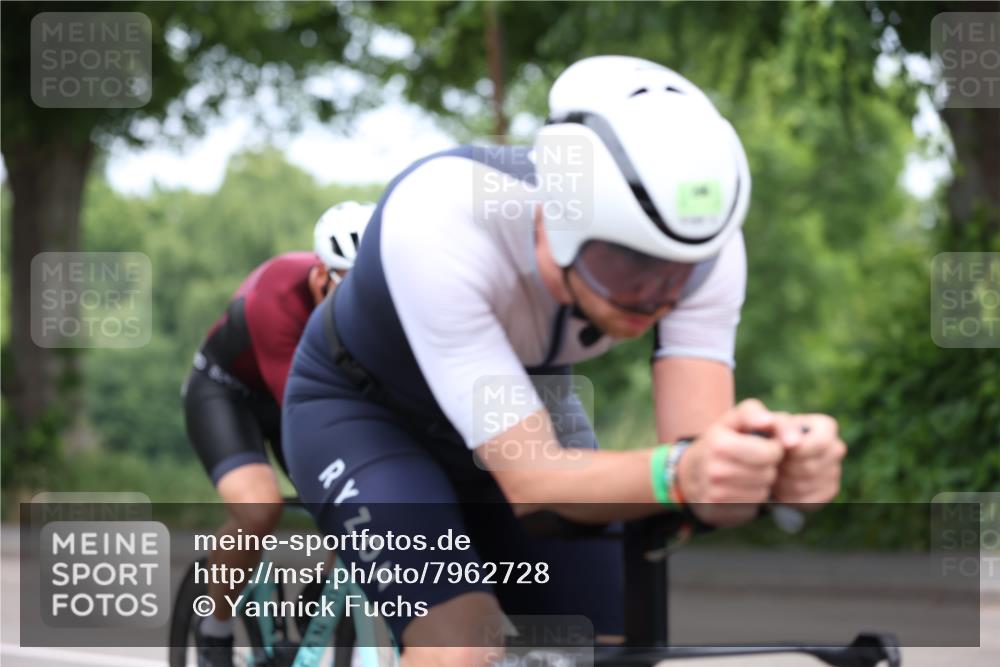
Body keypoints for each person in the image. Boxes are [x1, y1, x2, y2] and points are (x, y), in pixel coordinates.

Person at [283, 56, 847, 667]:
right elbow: (537, 483)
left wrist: (771, 471)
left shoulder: (700, 242)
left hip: (527, 393)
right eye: (628, 266)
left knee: (604, 638)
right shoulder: (440, 220)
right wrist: (682, 472)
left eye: (680, 276)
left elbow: (693, 460)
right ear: (555, 220)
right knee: (464, 646)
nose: (657, 298)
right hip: (366, 413)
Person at [183, 201, 373, 667]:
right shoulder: (275, 296)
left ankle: (316, 607)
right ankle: (215, 631)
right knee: (260, 509)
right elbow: (305, 414)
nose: (359, 305)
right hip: (228, 395)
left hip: (306, 398)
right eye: (348, 288)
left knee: (365, 503)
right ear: (320, 277)